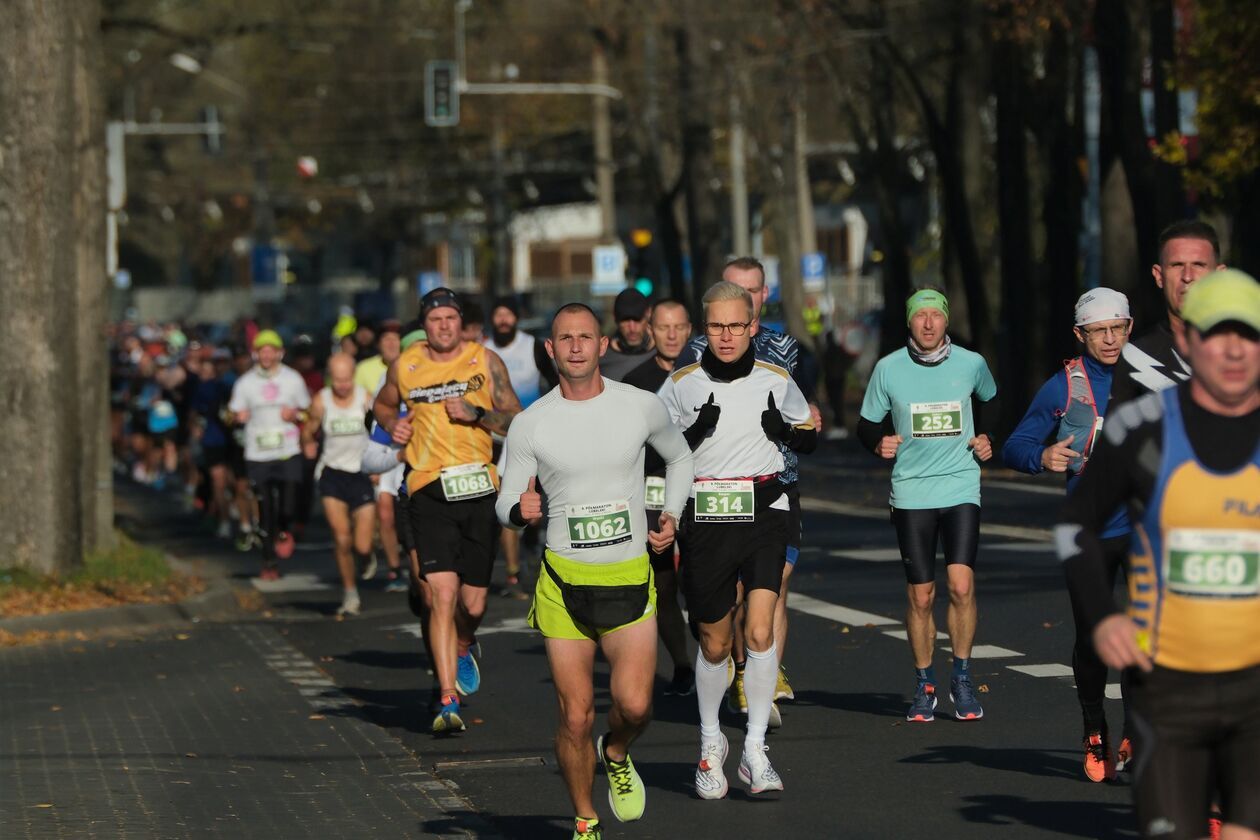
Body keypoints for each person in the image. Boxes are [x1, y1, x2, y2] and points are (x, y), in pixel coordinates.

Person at [1059, 269, 1260, 840]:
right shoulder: (1144, 434)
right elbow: (1076, 525)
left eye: (1248, 336)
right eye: (1218, 336)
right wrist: (1105, 613)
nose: (1234, 352)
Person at [496, 302, 694, 840]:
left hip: (629, 576)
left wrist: (671, 514)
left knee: (633, 705)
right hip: (563, 583)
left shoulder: (640, 406)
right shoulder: (531, 423)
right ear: (550, 349)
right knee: (575, 716)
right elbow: (505, 499)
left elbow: (680, 458)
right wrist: (519, 511)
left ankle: (618, 750)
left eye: (586, 337)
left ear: (603, 345)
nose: (577, 346)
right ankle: (585, 817)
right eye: (566, 338)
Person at [657, 281, 817, 799]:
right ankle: (710, 743)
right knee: (714, 642)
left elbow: (808, 431)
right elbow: (653, 451)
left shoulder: (776, 377)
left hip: (765, 509)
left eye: (736, 325)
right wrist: (691, 437)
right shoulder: (680, 384)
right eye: (717, 326)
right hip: (706, 515)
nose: (726, 336)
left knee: (761, 627)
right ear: (705, 330)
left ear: (752, 326)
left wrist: (787, 432)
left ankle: (753, 748)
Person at [374, 287, 522, 733]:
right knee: (440, 594)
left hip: (479, 488)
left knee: (473, 603)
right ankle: (446, 698)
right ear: (425, 324)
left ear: (461, 323)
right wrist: (391, 423)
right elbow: (381, 403)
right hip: (427, 488)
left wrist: (477, 413)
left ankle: (463, 643)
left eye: (450, 319)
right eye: (435, 319)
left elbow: (515, 417)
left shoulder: (484, 361)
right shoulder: (406, 364)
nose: (443, 326)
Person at [1002, 288, 1136, 780]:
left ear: (1129, 328)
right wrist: (1043, 457)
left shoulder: (1151, 376)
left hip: (1145, 527)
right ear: (1080, 335)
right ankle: (1095, 727)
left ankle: (1136, 730)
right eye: (1098, 331)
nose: (1109, 339)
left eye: (1116, 328)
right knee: (1096, 638)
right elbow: (1015, 445)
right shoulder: (1063, 386)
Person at [856, 288, 997, 723]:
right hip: (912, 491)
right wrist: (878, 443)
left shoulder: (971, 363)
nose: (930, 324)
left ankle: (962, 676)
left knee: (960, 585)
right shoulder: (888, 368)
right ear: (910, 323)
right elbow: (865, 424)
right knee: (921, 595)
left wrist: (989, 439)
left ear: (947, 320)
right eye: (921, 317)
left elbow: (992, 401)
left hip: (960, 486)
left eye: (937, 316)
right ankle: (924, 684)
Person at [622, 299, 697, 696]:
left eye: (678, 327)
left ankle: (716, 655)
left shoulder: (703, 375)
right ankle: (682, 663)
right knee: (663, 585)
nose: (671, 335)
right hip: (653, 492)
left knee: (702, 582)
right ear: (651, 331)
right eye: (663, 327)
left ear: (689, 330)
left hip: (702, 491)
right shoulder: (634, 383)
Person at [484, 296, 556, 591]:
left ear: (515, 318)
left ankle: (530, 540)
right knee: (508, 496)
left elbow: (554, 381)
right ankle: (513, 571)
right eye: (498, 314)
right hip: (497, 437)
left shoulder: (532, 346)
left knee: (534, 507)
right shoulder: (483, 351)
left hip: (533, 434)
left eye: (508, 315)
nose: (503, 320)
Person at [228, 330, 312, 579]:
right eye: (261, 351)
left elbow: (309, 412)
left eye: (270, 351)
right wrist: (237, 418)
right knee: (264, 508)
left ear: (280, 353)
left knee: (287, 504)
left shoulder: (293, 379)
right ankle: (269, 561)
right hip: (257, 453)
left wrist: (296, 415)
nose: (266, 355)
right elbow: (231, 415)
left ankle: (285, 529)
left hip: (287, 450)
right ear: (256, 354)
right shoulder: (245, 383)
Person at [1112, 220, 1227, 402]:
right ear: (1159, 276)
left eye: (1198, 264)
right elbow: (1115, 428)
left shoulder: (1247, 352)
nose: (1187, 276)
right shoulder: (1134, 357)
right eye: (1177, 265)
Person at [302, 353, 377, 616]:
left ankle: (367, 556)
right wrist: (308, 442)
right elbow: (309, 428)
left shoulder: (365, 398)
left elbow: (379, 431)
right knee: (341, 537)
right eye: (337, 380)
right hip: (332, 473)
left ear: (353, 376)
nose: (343, 385)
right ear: (330, 377)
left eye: (346, 379)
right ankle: (350, 593)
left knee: (362, 545)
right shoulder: (321, 400)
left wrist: (379, 462)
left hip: (361, 474)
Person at [357, 320, 407, 590]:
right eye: (385, 340)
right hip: (386, 450)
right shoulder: (377, 377)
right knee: (385, 514)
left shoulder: (418, 371)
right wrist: (374, 459)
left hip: (412, 452)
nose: (390, 344)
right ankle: (395, 570)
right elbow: (372, 419)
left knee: (411, 513)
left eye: (395, 340)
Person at [600, 288, 655, 381]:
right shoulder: (600, 356)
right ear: (615, 318)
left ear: (648, 314)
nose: (632, 328)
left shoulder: (664, 352)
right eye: (625, 320)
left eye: (637, 320)